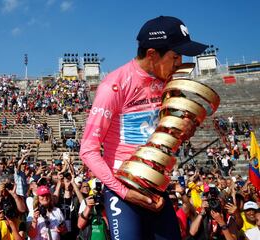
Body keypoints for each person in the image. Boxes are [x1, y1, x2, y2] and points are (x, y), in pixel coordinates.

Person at [80, 16, 207, 240]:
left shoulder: (169, 83)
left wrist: (185, 127)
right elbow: (88, 150)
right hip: (122, 190)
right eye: (175, 56)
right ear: (151, 54)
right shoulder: (114, 85)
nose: (181, 63)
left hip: (156, 189)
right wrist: (124, 192)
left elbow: (167, 135)